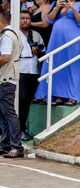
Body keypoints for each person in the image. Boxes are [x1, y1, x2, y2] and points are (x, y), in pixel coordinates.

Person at [35, 0, 80, 106]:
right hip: (56, 39)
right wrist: (57, 7)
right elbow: (49, 19)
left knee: (71, 65)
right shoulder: (55, 3)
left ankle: (72, 96)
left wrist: (73, 8)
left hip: (72, 38)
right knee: (56, 64)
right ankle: (57, 95)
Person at [0, 8, 23, 158]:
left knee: (8, 114)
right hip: (7, 78)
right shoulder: (12, 34)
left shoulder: (6, 36)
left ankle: (16, 146)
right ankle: (6, 145)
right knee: (3, 114)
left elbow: (5, 57)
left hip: (6, 79)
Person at [18, 10, 44, 139]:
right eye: (22, 18)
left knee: (27, 101)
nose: (25, 20)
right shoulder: (14, 35)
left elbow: (43, 52)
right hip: (19, 70)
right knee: (20, 100)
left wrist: (37, 52)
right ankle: (18, 129)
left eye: (27, 18)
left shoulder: (36, 35)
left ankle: (22, 129)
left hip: (33, 70)